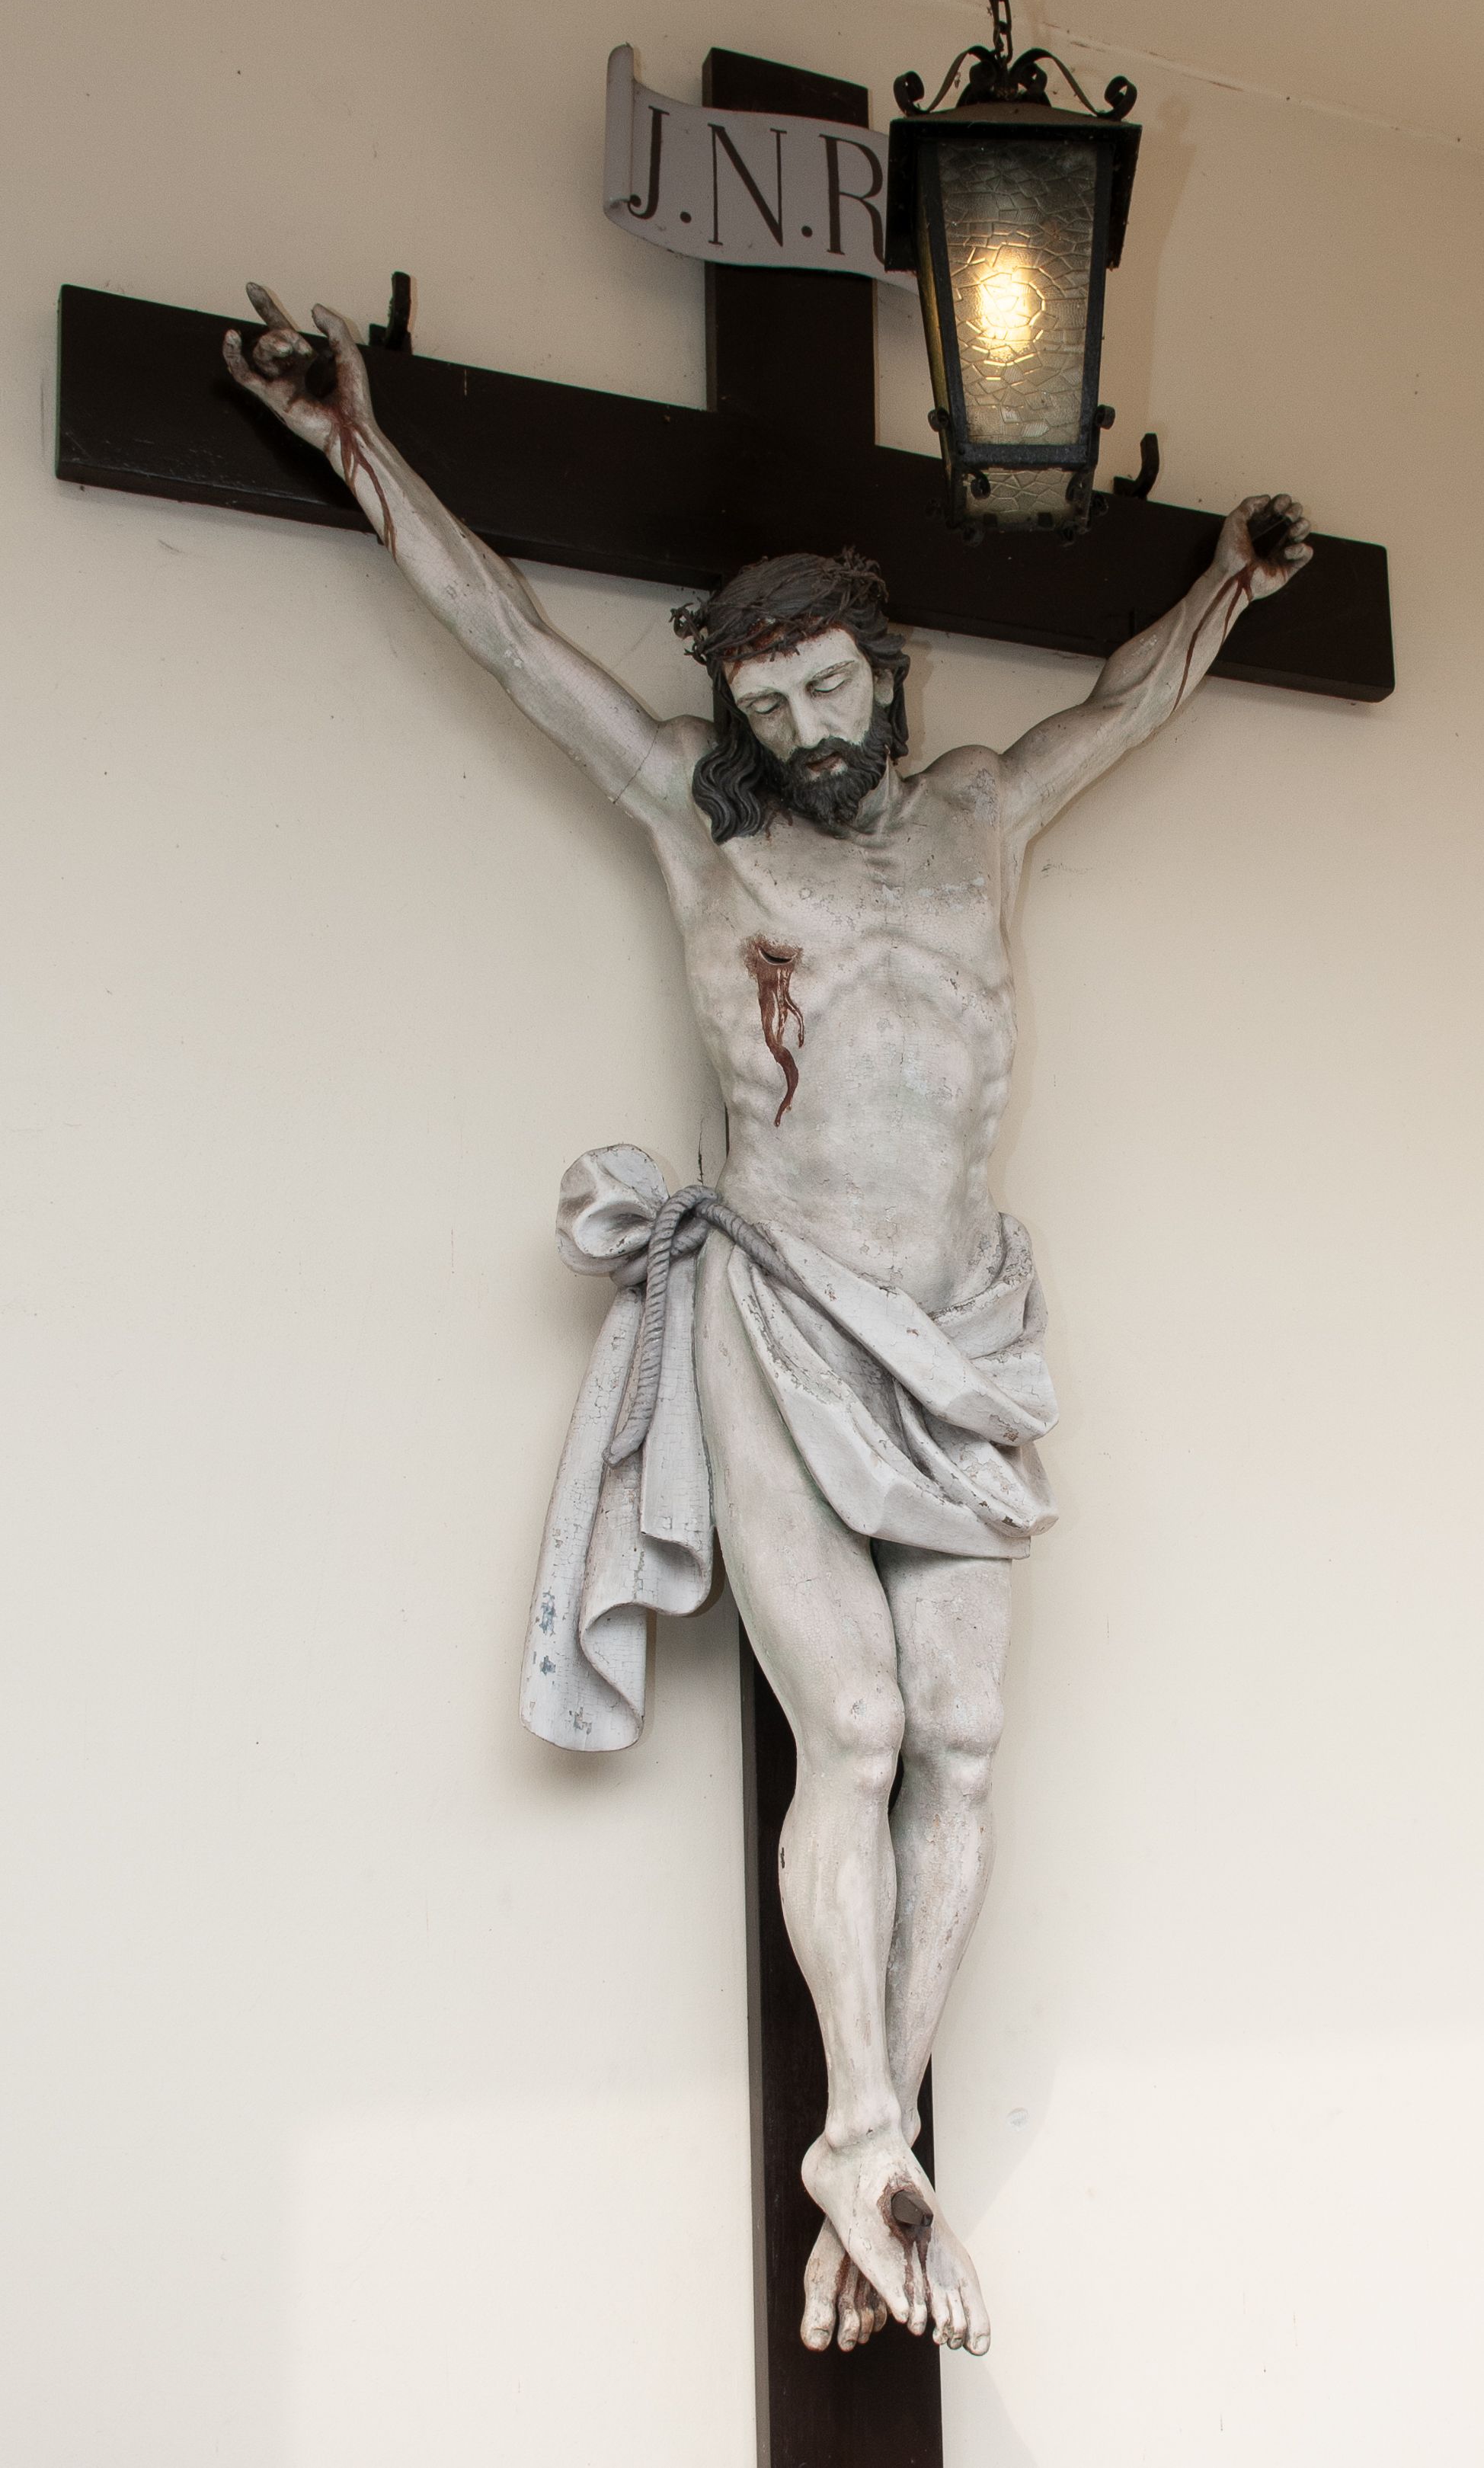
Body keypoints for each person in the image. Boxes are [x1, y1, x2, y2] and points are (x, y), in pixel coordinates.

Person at [225, 285, 1312, 2357]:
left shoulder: (983, 813)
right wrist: (356, 439)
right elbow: (512, 644)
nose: (808, 725)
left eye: (831, 686)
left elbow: (1123, 705)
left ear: (884, 677)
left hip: (961, 1323)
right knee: (862, 1730)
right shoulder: (691, 820)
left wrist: (1232, 591)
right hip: (785, 1306)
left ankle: (868, 2149)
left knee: (966, 1740)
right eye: (773, 701)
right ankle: (866, 2128)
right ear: (734, 713)